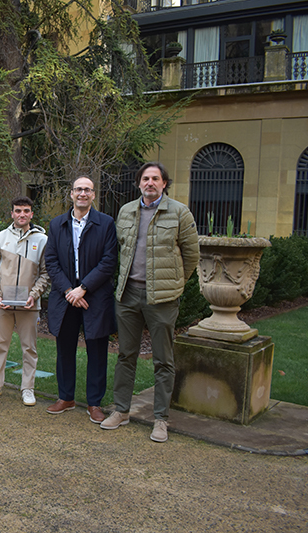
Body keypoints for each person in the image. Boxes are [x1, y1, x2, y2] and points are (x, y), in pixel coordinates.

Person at [101, 162, 200, 443]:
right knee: (125, 355)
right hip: (128, 295)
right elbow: (120, 248)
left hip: (163, 299)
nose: (150, 183)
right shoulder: (126, 211)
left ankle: (160, 419)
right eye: (145, 178)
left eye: (156, 178)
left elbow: (192, 255)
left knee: (163, 360)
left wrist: (175, 283)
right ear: (139, 183)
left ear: (164, 183)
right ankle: (121, 410)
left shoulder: (179, 212)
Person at [43, 177, 117, 423]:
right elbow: (51, 261)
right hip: (65, 297)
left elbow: (109, 261)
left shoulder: (105, 223)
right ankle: (66, 398)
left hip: (95, 296)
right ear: (71, 194)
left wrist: (83, 288)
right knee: (65, 349)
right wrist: (69, 291)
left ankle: (94, 403)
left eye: (87, 190)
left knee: (97, 350)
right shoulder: (57, 224)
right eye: (78, 189)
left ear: (93, 195)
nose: (82, 193)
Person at [0, 196, 49, 406]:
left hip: (29, 305)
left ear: (31, 214)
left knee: (29, 349)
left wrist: (34, 295)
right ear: (12, 213)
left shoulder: (42, 240)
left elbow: (46, 273)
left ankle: (28, 388)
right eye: (18, 210)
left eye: (26, 211)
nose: (22, 214)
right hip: (1, 304)